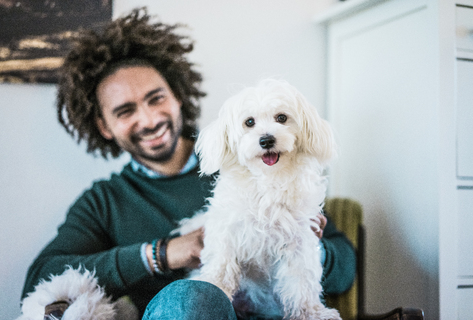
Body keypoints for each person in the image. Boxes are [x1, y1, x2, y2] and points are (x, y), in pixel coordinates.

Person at [21, 8, 356, 320]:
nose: (149, 119)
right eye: (126, 111)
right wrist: (159, 254)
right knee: (190, 297)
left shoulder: (270, 166)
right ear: (104, 127)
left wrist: (300, 245)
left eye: (156, 98)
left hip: (273, 309)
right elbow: (42, 279)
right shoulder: (105, 202)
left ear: (178, 95)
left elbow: (346, 265)